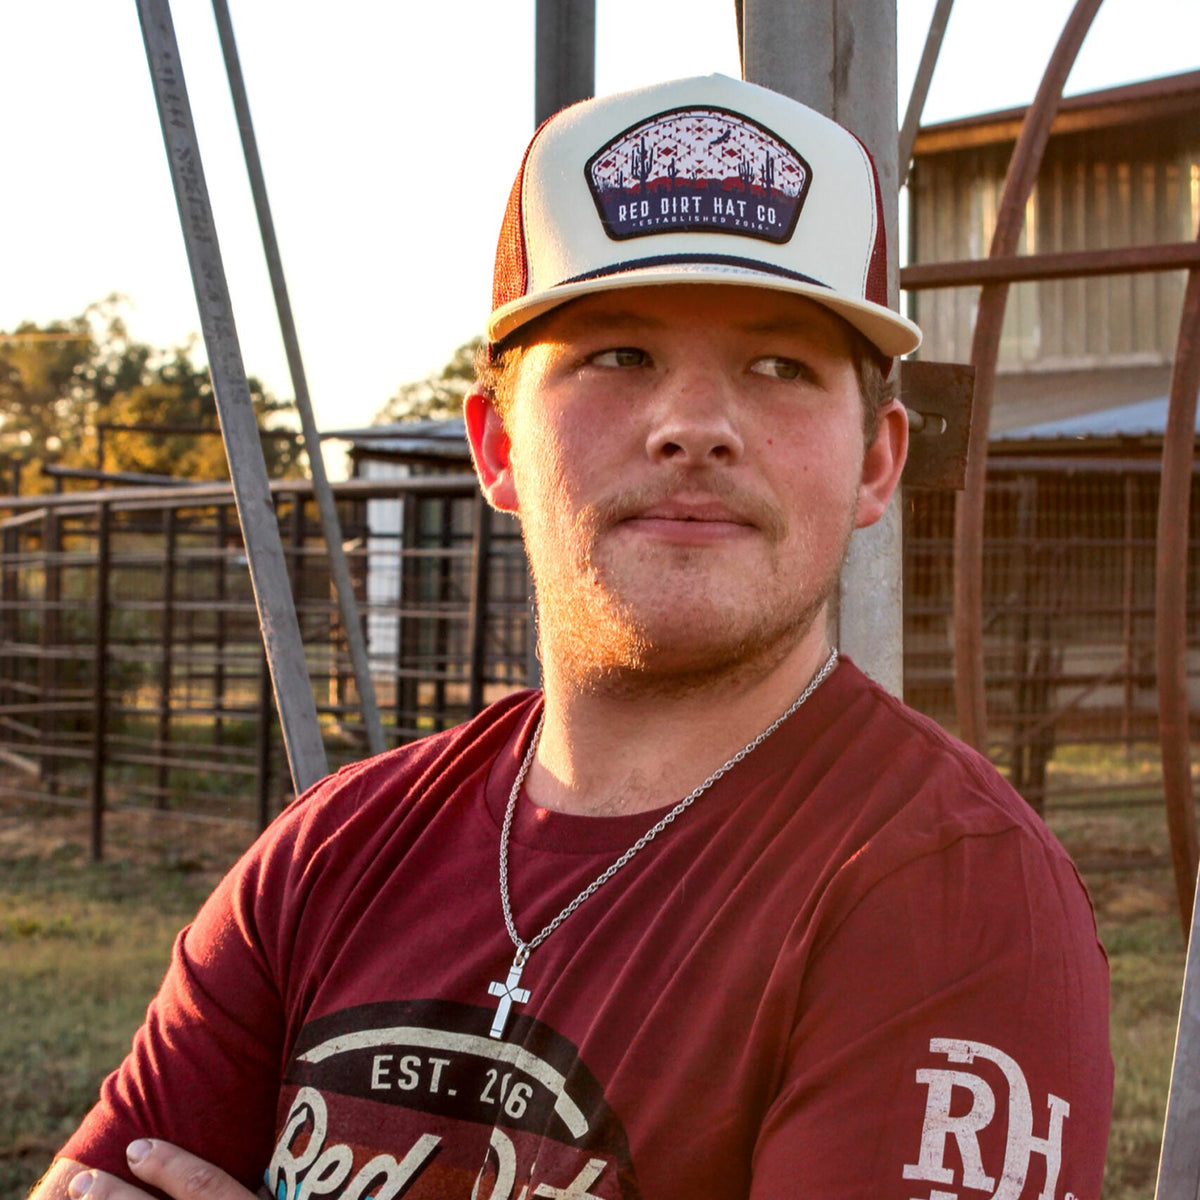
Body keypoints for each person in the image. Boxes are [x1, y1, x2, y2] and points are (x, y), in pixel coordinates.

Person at [34, 74, 1111, 1200]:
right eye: (618, 356)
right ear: (497, 446)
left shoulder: (949, 894)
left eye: (781, 366)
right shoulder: (328, 856)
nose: (696, 426)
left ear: (877, 462)